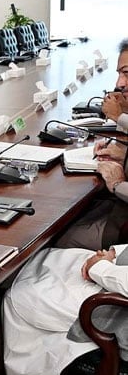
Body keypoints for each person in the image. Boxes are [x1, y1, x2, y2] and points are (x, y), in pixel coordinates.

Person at [3, 243, 128, 375]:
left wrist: (99, 267)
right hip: (118, 272)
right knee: (48, 257)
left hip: (116, 307)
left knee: (21, 296)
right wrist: (115, 252)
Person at [55, 39, 128, 250]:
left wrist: (117, 184)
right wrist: (121, 154)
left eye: (126, 73)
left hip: (122, 231)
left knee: (55, 237)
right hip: (117, 208)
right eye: (119, 73)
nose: (119, 83)